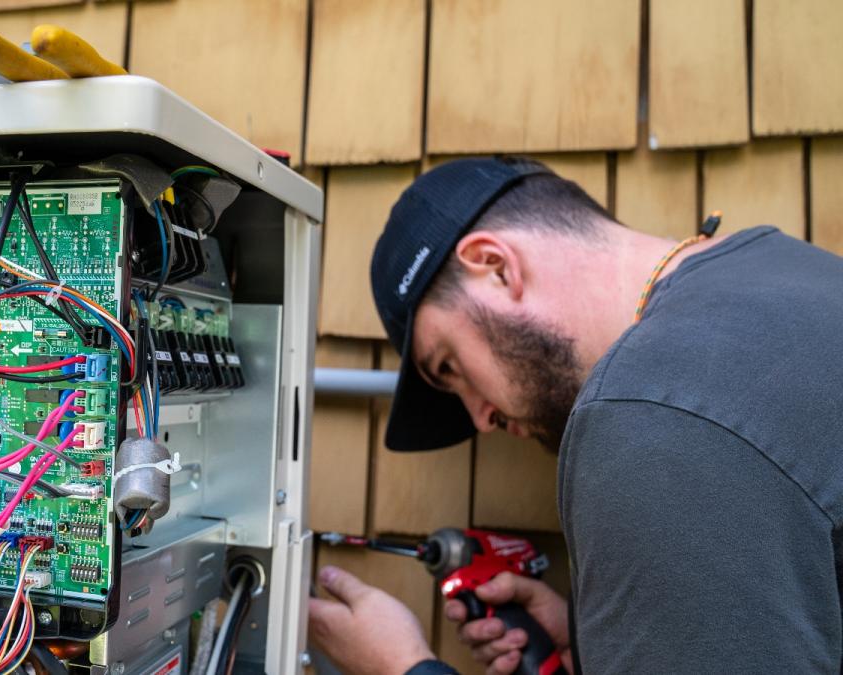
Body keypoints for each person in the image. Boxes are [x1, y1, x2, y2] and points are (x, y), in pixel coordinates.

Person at [307, 156, 843, 674]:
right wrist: (603, 644)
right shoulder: (786, 267)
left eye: (450, 366)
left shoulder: (646, 419)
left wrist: (409, 671)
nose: (478, 417)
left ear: (495, 266)